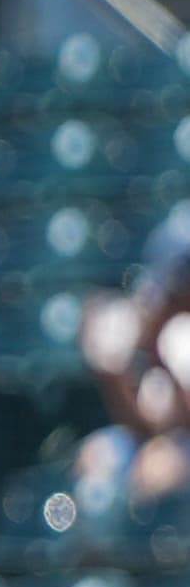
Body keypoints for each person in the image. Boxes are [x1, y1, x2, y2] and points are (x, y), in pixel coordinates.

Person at [74, 204, 190, 510]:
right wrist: (111, 372)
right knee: (96, 457)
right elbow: (142, 424)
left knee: (163, 466)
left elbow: (178, 417)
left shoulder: (181, 333)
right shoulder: (156, 319)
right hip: (163, 435)